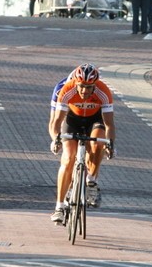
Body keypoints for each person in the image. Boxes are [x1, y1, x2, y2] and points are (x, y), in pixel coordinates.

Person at [49, 63, 115, 223]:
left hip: (95, 119)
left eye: (89, 87)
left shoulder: (103, 91)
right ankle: (59, 207)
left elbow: (109, 125)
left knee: (98, 143)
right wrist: (55, 139)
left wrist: (110, 143)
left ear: (95, 85)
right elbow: (55, 122)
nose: (85, 91)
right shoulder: (64, 89)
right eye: (81, 87)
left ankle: (91, 181)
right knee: (68, 157)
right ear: (75, 83)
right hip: (71, 119)